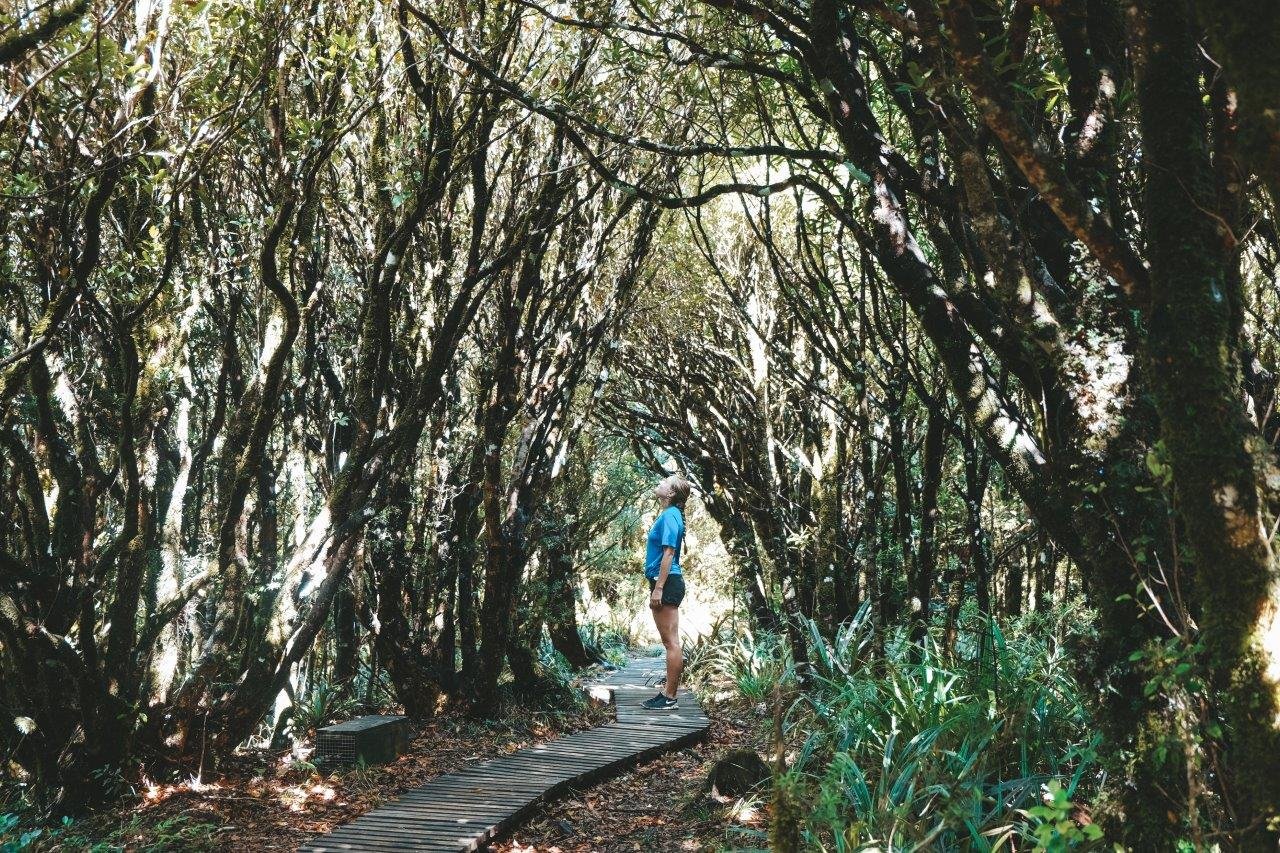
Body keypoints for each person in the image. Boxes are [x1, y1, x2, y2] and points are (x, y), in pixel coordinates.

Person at [641, 473, 691, 710]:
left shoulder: (670, 515)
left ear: (671, 493)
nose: (659, 483)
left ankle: (670, 697)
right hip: (666, 581)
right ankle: (667, 694)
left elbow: (669, 553)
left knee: (671, 642)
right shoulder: (670, 514)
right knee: (670, 641)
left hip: (668, 582)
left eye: (664, 482)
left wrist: (658, 588)